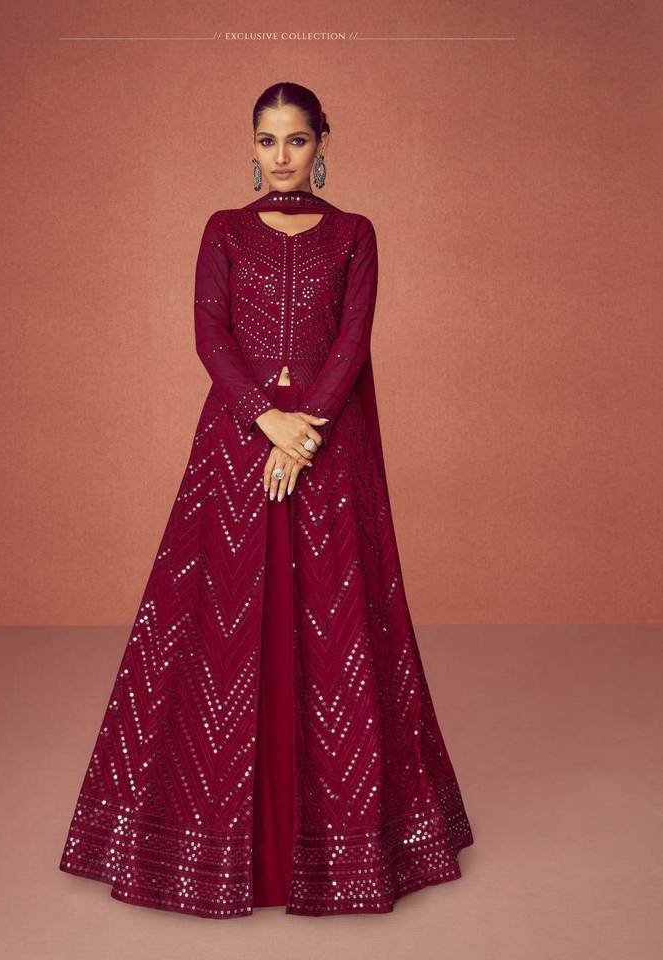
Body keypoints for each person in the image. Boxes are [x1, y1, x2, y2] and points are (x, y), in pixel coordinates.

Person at [59, 81, 474, 919]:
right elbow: (209, 334)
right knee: (212, 621)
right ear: (251, 147)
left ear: (322, 143)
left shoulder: (355, 234)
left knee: (340, 618)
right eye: (267, 139)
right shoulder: (223, 230)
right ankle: (199, 840)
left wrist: (304, 431)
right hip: (238, 442)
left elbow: (353, 341)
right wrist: (266, 420)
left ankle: (350, 845)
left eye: (296, 139)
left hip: (331, 441)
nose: (281, 155)